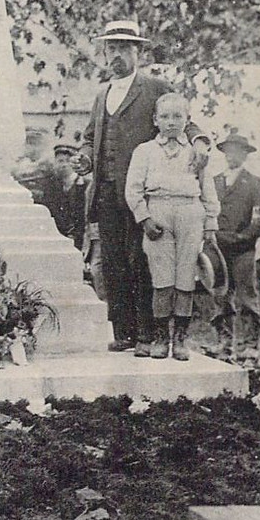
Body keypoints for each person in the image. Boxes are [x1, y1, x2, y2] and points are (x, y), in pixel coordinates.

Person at [72, 19, 209, 356]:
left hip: (145, 198)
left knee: (144, 263)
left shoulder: (154, 87)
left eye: (123, 48)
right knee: (114, 264)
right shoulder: (102, 93)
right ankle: (124, 333)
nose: (116, 55)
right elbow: (91, 138)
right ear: (104, 53)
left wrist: (200, 141)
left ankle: (150, 335)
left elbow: (184, 119)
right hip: (106, 194)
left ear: (138, 52)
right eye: (111, 48)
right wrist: (85, 158)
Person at [125, 93, 219, 361]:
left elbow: (207, 189)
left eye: (177, 116)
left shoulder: (196, 152)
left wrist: (210, 223)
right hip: (158, 211)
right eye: (165, 116)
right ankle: (160, 337)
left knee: (185, 277)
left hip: (190, 211)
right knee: (162, 278)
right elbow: (132, 190)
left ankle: (180, 338)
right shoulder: (144, 151)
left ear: (187, 120)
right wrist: (144, 218)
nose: (171, 122)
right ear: (155, 120)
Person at [206, 131, 260, 363]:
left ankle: (251, 346)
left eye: (238, 151)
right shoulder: (213, 181)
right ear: (224, 152)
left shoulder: (252, 182)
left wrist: (245, 236)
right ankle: (224, 344)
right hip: (217, 248)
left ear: (245, 154)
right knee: (220, 296)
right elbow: (204, 210)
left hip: (242, 250)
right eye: (229, 150)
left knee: (246, 298)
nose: (233, 155)